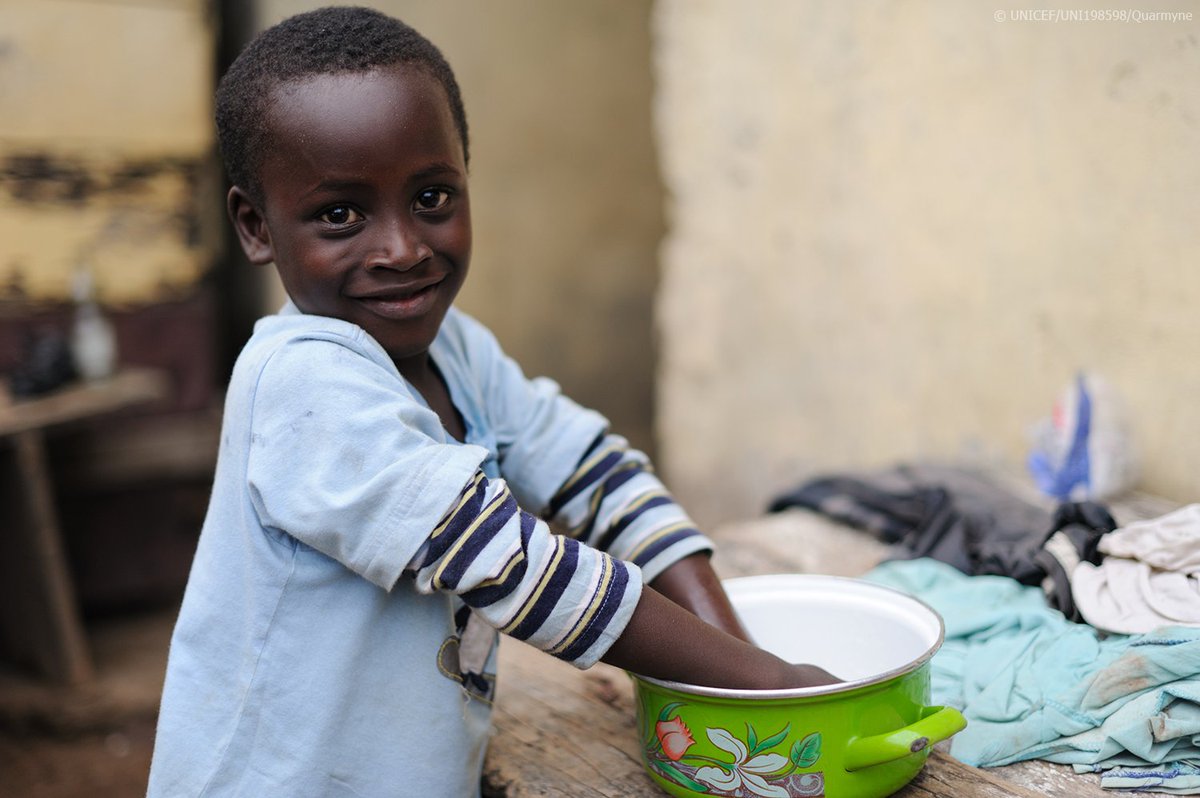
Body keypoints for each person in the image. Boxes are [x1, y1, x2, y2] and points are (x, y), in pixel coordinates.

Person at [147, 7, 836, 796]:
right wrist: (772, 683)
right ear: (256, 226)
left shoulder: (455, 349)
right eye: (340, 215)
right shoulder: (304, 389)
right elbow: (519, 570)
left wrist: (739, 659)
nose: (403, 248)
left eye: (432, 197)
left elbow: (597, 474)